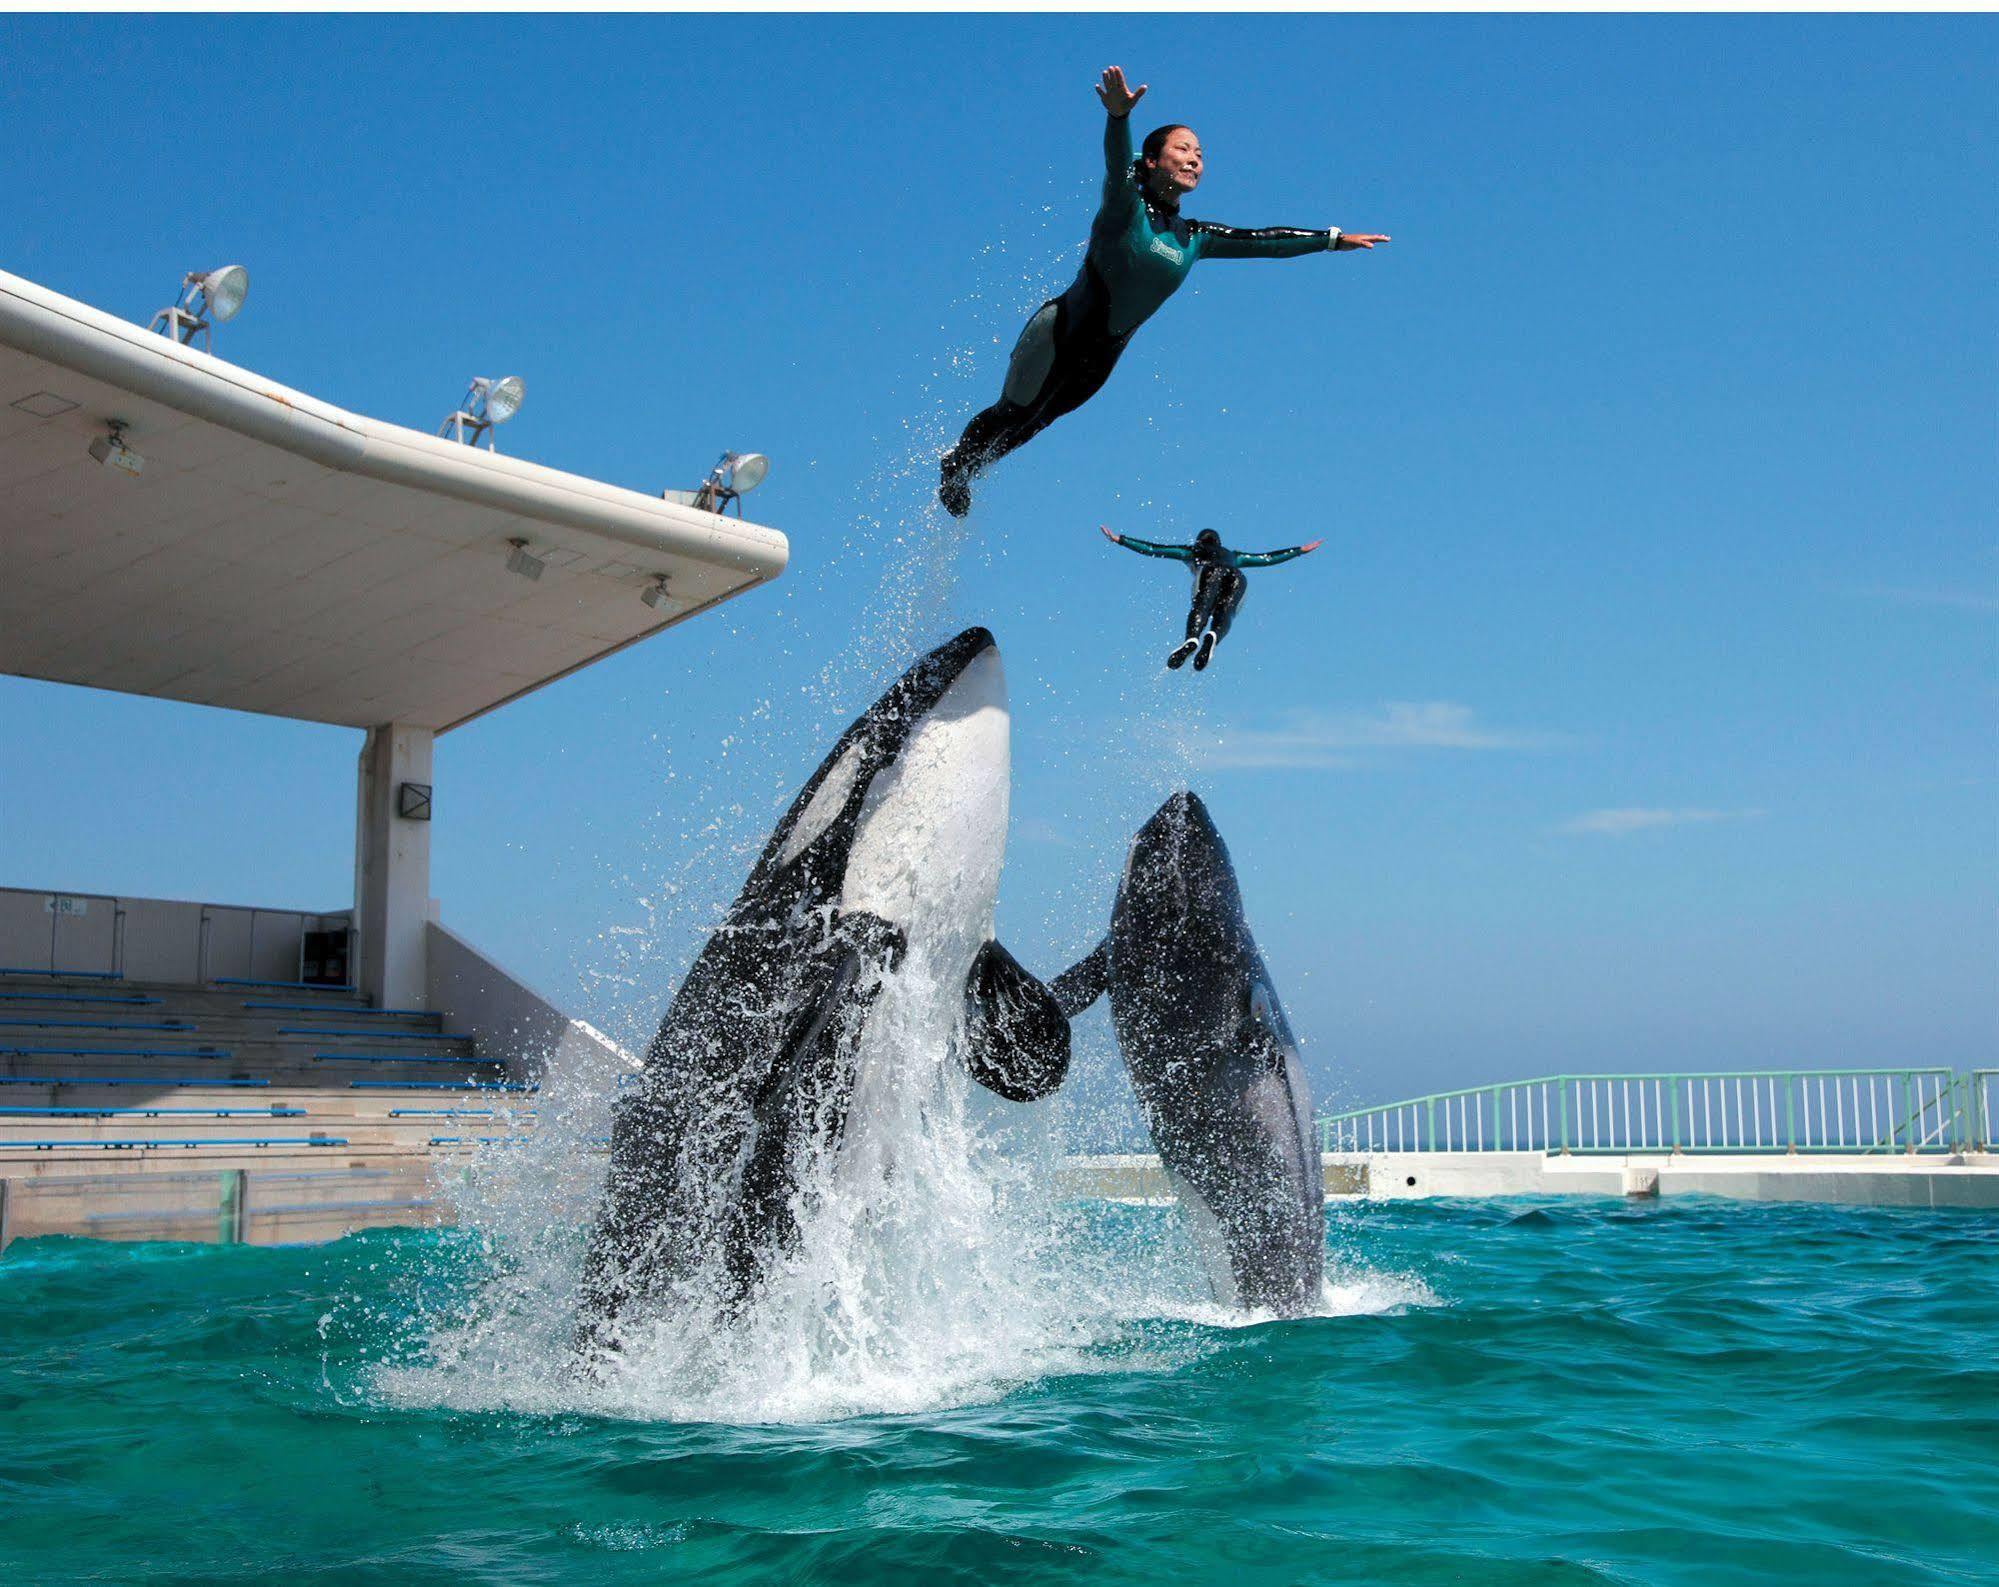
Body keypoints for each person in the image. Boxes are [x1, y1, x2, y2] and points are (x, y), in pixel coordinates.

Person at [937, 66, 1388, 518]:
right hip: (1056, 334)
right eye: (1183, 149)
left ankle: (970, 471)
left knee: (1036, 423)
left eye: (1200, 153)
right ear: (1152, 161)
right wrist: (1118, 118)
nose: (1195, 159)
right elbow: (1116, 164)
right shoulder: (1124, 207)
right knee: (1012, 412)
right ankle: (955, 465)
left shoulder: (1196, 238)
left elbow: (1264, 241)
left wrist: (1331, 239)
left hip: (1102, 359)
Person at [1102, 525, 1321, 671]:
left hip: (1208, 571)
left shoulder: (1192, 551)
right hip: (1237, 576)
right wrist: (1298, 550)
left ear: (1199, 541)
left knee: (1201, 606)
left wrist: (1120, 539)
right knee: (1226, 612)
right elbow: (1266, 559)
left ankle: (1192, 639)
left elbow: (1154, 549)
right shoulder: (1234, 556)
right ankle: (1213, 636)